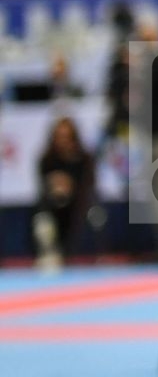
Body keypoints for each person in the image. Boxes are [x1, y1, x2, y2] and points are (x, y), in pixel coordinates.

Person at [34, 116, 92, 274]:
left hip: (77, 204)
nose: (63, 141)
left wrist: (71, 186)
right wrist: (54, 186)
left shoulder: (84, 158)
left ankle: (71, 251)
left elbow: (88, 185)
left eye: (67, 137)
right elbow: (41, 187)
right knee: (42, 217)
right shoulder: (47, 159)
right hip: (53, 205)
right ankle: (48, 250)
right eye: (59, 137)